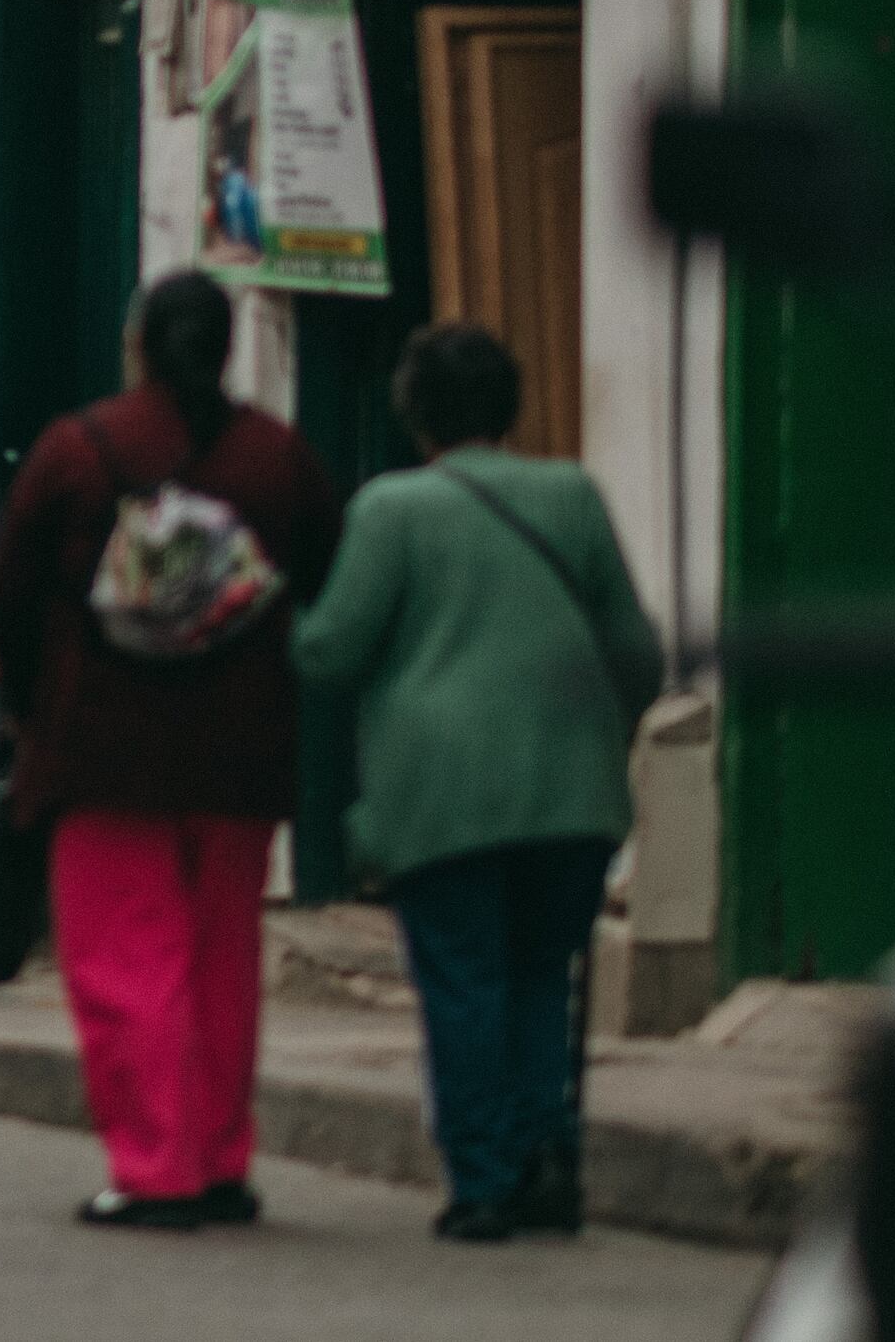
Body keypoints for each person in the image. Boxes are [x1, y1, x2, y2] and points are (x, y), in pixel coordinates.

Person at [0, 267, 342, 1232]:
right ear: (228, 348)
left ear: (138, 343)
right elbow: (325, 578)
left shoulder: (78, 450)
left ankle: (155, 1165)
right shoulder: (279, 458)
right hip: (240, 758)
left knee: (127, 962)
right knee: (225, 960)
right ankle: (222, 1158)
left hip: (104, 752)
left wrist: (31, 709)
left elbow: (9, 594)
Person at [294, 322, 665, 1243]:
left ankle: (485, 1181)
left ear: (415, 414)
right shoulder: (572, 494)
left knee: (465, 981)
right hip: (569, 790)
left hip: (440, 792)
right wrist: (596, 735)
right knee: (544, 977)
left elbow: (331, 650)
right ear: (510, 405)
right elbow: (641, 654)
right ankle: (550, 1163)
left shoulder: (391, 509)